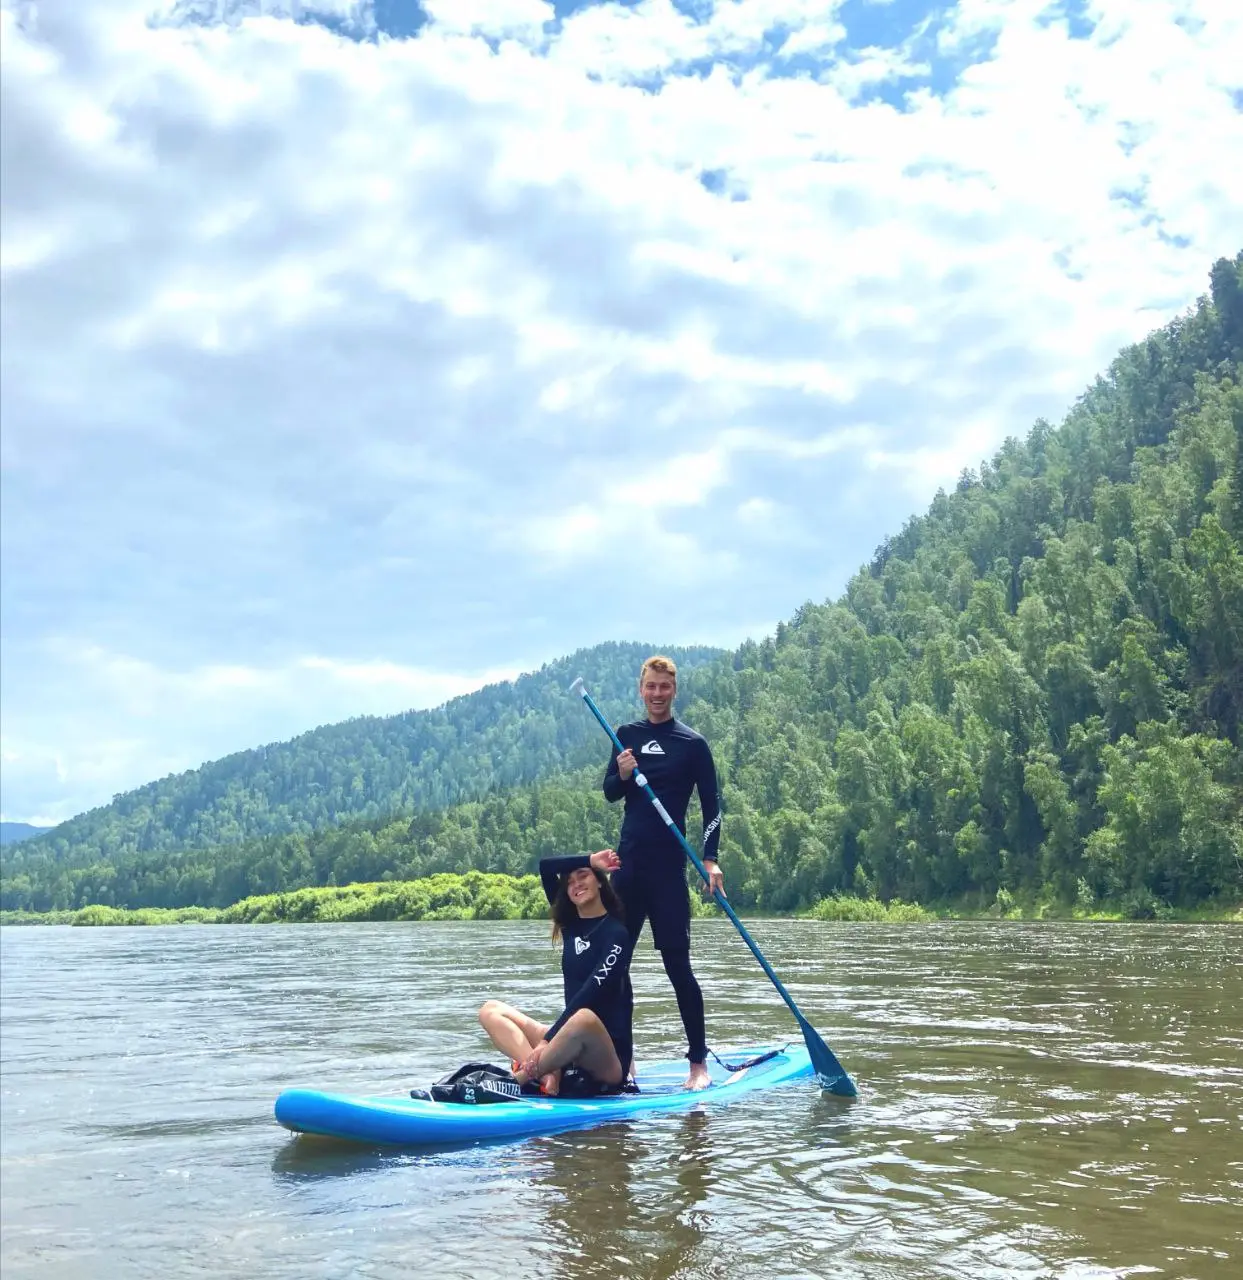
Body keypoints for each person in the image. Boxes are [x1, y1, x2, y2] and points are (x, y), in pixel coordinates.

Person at [603, 654, 723, 1091]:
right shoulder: (626, 736)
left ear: (674, 690)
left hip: (669, 871)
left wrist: (710, 859)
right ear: (641, 689)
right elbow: (610, 793)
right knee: (615, 966)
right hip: (629, 867)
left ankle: (697, 1064)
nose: (656, 694)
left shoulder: (692, 744)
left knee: (678, 967)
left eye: (664, 687)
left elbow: (712, 805)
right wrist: (621, 772)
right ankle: (625, 1059)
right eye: (650, 687)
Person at [478, 849, 633, 1097]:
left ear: (600, 882)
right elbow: (545, 866)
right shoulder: (570, 927)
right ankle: (547, 1072)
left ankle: (518, 1081)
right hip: (566, 1039)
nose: (576, 885)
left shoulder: (617, 935)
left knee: (583, 1017)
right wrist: (589, 861)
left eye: (583, 876)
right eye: (569, 882)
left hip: (608, 1059)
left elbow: (590, 993)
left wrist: (547, 1040)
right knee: (490, 1010)